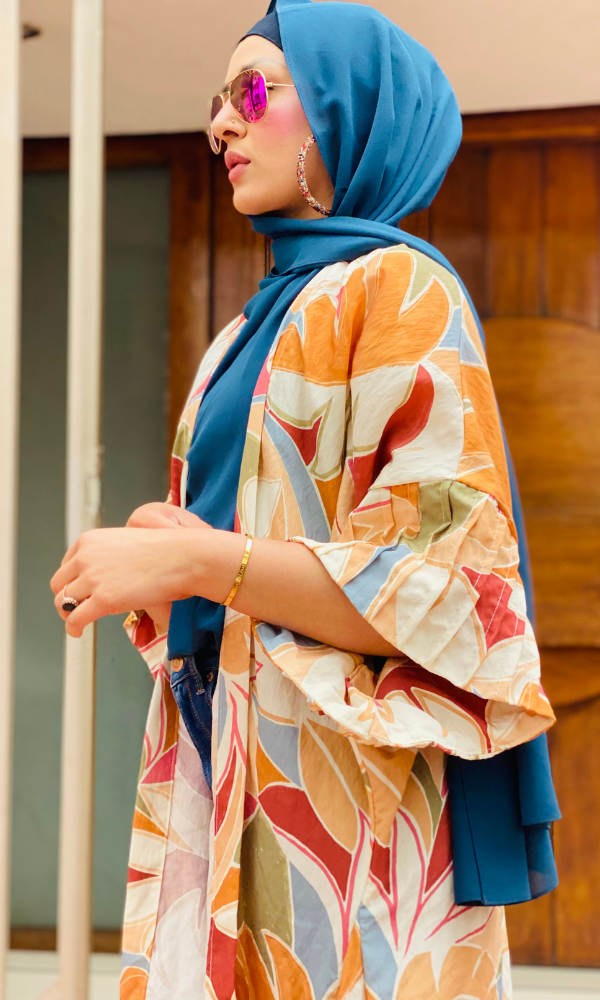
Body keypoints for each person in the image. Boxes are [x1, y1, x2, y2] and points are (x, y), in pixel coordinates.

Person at [51, 1, 559, 997]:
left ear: (346, 107)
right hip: (223, 763)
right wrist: (175, 547)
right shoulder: (248, 327)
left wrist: (196, 559)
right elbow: (255, 547)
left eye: (252, 91)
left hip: (346, 795)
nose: (221, 125)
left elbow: (448, 594)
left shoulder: (399, 289)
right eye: (218, 103)